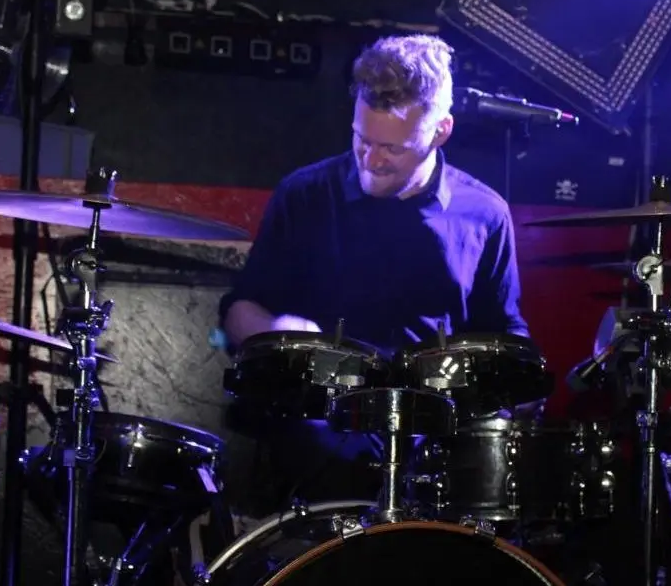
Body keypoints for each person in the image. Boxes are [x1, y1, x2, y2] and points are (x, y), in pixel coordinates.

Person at [214, 33, 530, 517]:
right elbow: (238, 310)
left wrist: (516, 383)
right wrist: (273, 330)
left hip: (437, 439)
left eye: (393, 148)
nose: (372, 159)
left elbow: (505, 333)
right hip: (322, 426)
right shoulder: (305, 195)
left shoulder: (485, 214)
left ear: (441, 131)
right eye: (362, 139)